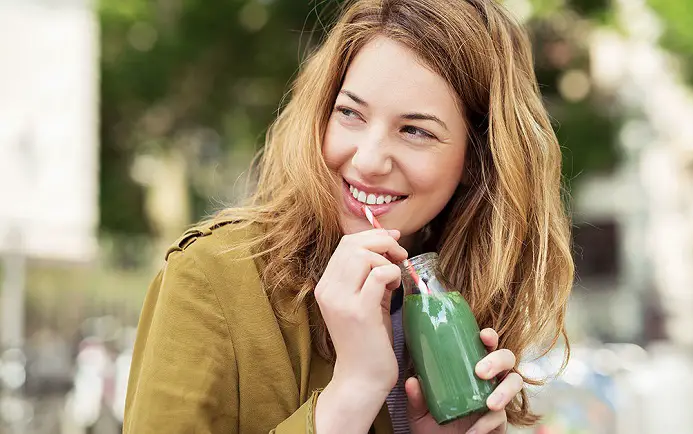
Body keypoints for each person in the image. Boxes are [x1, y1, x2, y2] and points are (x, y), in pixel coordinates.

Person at [122, 0, 574, 433]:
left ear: (477, 159)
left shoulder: (462, 307)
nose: (369, 159)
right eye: (350, 113)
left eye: (415, 130)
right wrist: (351, 395)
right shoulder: (212, 277)